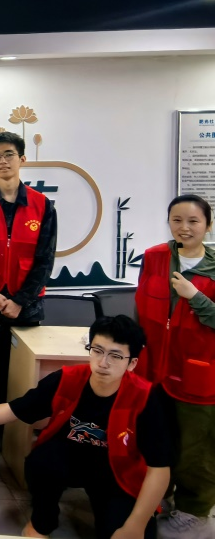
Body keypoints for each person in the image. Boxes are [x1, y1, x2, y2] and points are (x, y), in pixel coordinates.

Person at [0, 316, 171, 539]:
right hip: (68, 458)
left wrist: (136, 524)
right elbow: (17, 408)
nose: (103, 362)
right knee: (40, 462)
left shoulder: (145, 398)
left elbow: (159, 468)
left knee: (127, 532)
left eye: (115, 356)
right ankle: (41, 523)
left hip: (117, 472)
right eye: (97, 351)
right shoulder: (68, 378)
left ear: (132, 363)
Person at [134, 194, 214, 539]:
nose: (184, 227)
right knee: (155, 438)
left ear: (207, 225)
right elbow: (140, 308)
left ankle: (195, 512)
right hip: (153, 368)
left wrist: (195, 297)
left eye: (193, 221)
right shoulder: (154, 257)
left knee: (196, 448)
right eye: (177, 220)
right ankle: (159, 498)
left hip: (200, 371)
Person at [0, 131, 57, 410]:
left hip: (25, 309)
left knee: (22, 378)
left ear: (22, 159)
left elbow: (45, 261)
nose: (2, 161)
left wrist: (19, 301)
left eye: (9, 155)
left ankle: (14, 432)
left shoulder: (42, 205)